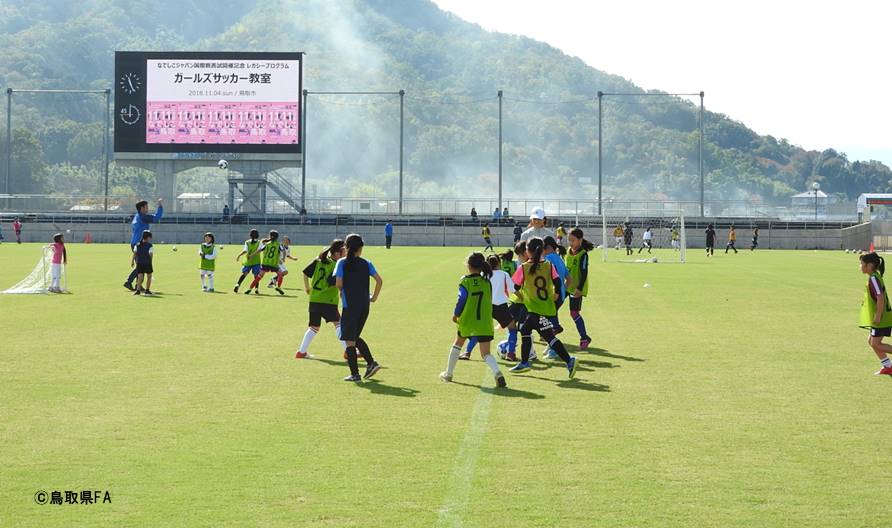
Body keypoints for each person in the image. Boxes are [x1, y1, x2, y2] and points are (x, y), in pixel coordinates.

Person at [508, 237, 577, 377]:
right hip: (546, 308)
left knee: (540, 334)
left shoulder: (524, 268)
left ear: (528, 251)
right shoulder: (548, 265)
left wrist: (520, 295)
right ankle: (527, 362)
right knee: (530, 331)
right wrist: (557, 294)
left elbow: (514, 286)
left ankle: (568, 361)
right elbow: (558, 282)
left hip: (535, 309)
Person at [442, 252, 507, 387]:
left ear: (468, 265)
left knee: (458, 344)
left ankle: (448, 374)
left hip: (468, 320)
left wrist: (456, 314)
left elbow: (461, 299)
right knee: (486, 353)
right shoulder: (486, 282)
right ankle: (497, 373)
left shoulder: (465, 281)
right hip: (484, 322)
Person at [335, 234, 383, 382]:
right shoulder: (366, 263)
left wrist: (344, 290)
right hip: (364, 305)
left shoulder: (342, 262)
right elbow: (379, 280)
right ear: (360, 248)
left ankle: (359, 371)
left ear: (346, 247)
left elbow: (338, 284)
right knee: (353, 337)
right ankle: (369, 365)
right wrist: (374, 297)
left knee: (350, 339)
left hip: (350, 305)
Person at [460, 254, 518, 362]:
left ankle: (467, 352)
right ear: (499, 263)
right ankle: (510, 353)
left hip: (485, 306)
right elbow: (513, 290)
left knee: (479, 329)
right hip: (501, 306)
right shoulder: (504, 274)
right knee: (512, 327)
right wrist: (522, 298)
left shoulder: (483, 275)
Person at [296, 239, 348, 359]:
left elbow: (305, 273)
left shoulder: (319, 261)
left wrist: (307, 288)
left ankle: (301, 352)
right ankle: (349, 352)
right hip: (327, 300)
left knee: (314, 327)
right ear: (337, 253)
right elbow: (331, 281)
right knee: (339, 324)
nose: (345, 253)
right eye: (344, 251)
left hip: (314, 298)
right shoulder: (336, 265)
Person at [859, 252, 892, 376]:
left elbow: (880, 297)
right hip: (883, 317)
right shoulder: (874, 276)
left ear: (870, 265)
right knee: (871, 341)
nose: (860, 266)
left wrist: (878, 315)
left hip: (882, 318)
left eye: (861, 263)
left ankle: (888, 366)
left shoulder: (873, 278)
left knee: (875, 343)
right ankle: (888, 366)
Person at [124, 199, 163, 291]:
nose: (148, 208)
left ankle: (138, 285)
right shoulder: (143, 217)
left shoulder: (137, 216)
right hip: (140, 244)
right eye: (146, 207)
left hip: (135, 242)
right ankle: (128, 282)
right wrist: (160, 206)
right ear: (142, 208)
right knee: (142, 265)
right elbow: (157, 217)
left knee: (141, 264)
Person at [565, 228, 594, 349]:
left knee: (574, 313)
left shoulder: (583, 254)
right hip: (566, 285)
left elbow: (584, 272)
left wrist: (579, 288)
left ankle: (584, 338)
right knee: (552, 306)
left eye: (573, 240)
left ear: (580, 240)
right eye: (569, 240)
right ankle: (549, 332)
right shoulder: (568, 251)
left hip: (577, 287)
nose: (571, 243)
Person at [542, 236, 569, 359]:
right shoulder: (559, 258)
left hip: (551, 296)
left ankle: (554, 349)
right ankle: (551, 344)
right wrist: (562, 290)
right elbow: (569, 279)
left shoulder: (547, 259)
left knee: (547, 322)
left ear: (546, 248)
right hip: (560, 295)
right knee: (548, 320)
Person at [246, 230, 285, 295]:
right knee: (280, 274)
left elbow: (259, 250)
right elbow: (283, 251)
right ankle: (278, 287)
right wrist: (283, 258)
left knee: (259, 277)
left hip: (265, 263)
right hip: (273, 263)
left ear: (271, 236)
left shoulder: (267, 244)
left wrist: (251, 255)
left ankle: (250, 288)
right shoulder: (278, 245)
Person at [234, 229, 262, 293]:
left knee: (244, 274)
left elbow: (245, 251)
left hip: (248, 261)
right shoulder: (259, 242)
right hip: (256, 261)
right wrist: (252, 255)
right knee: (256, 276)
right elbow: (259, 251)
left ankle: (237, 284)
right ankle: (256, 289)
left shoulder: (247, 242)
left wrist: (239, 255)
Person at [131, 230, 154, 296]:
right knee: (149, 276)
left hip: (139, 263)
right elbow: (151, 255)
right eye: (150, 237)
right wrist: (151, 262)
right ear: (148, 237)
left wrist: (132, 261)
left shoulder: (137, 244)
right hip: (147, 263)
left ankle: (138, 290)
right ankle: (147, 290)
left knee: (140, 277)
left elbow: (134, 253)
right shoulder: (150, 245)